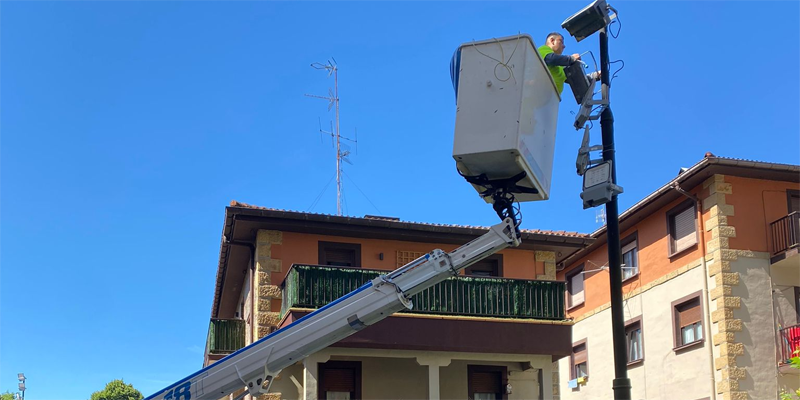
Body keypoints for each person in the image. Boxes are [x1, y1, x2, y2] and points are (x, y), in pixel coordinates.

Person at [538, 32, 598, 96]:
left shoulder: (559, 67)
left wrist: (594, 75)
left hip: (550, 99)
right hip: (539, 92)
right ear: (552, 41)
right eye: (561, 42)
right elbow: (551, 59)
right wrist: (571, 59)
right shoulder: (543, 50)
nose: (564, 46)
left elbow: (575, 79)